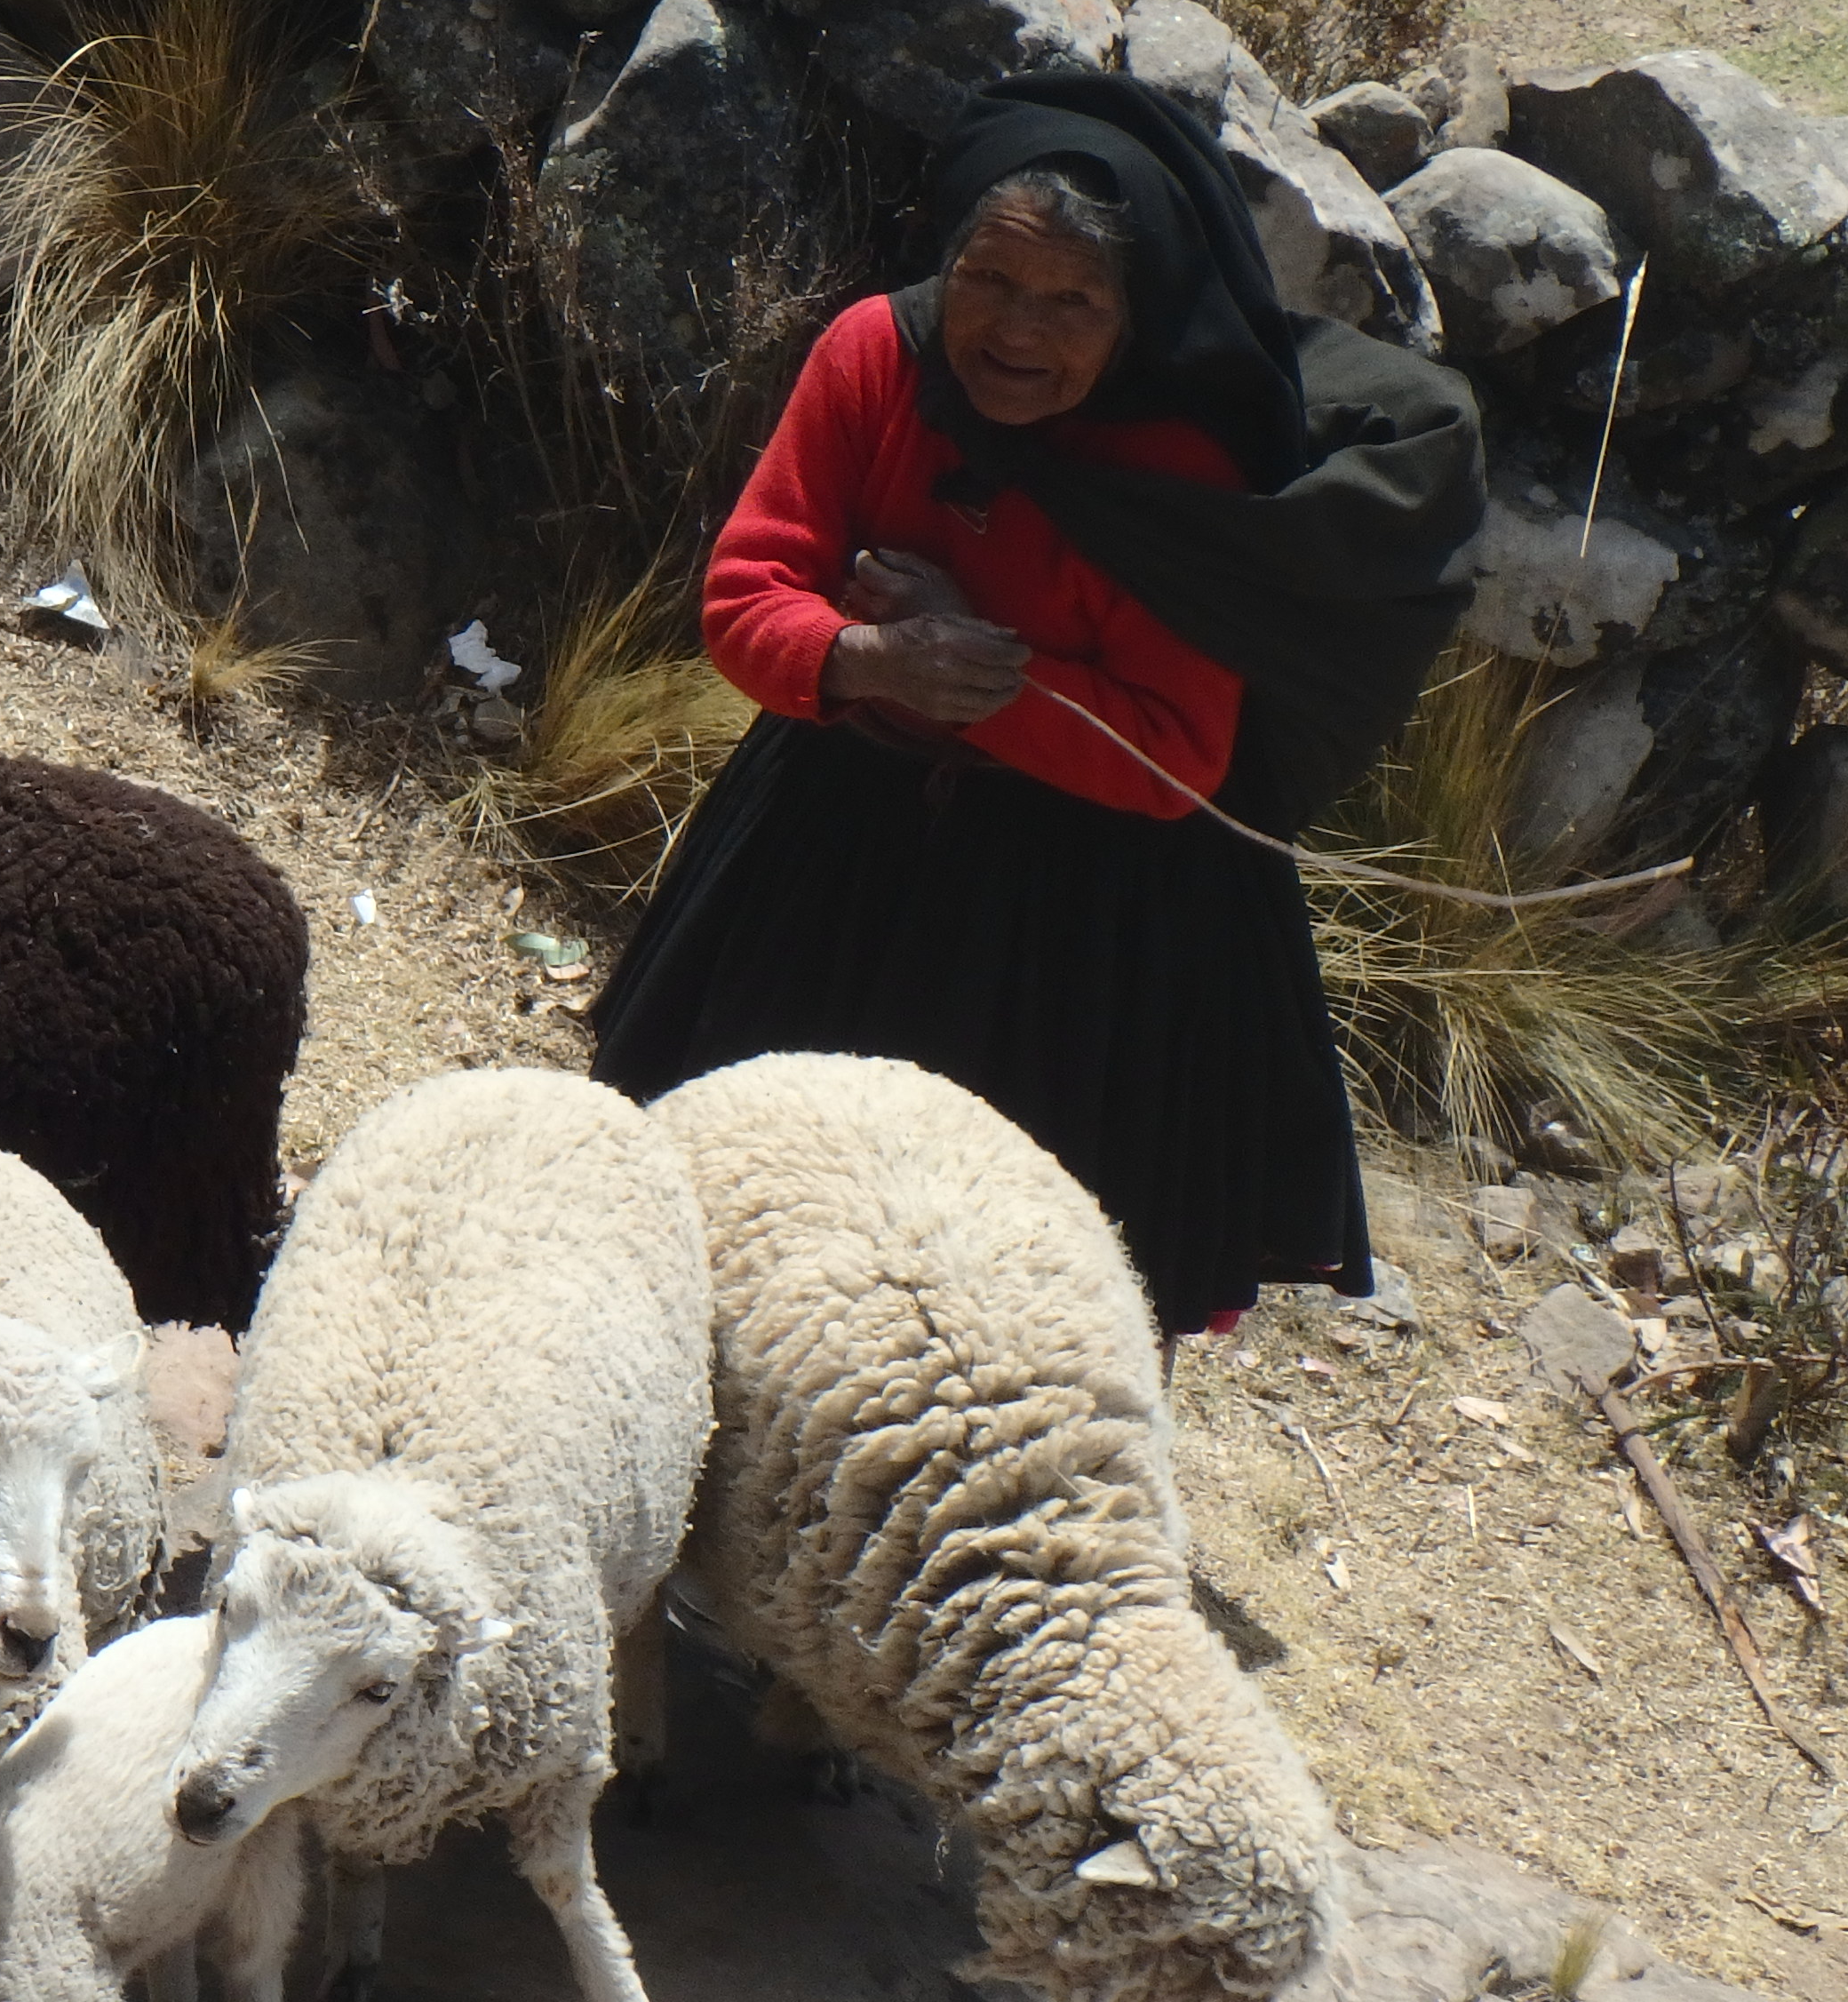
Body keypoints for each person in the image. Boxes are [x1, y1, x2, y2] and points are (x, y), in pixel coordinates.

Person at [589, 71, 1487, 1339]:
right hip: (836, 838)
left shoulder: (1185, 470)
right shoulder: (874, 361)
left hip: (1094, 917)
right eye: (993, 282)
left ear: (1135, 317)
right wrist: (863, 660)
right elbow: (748, 595)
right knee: (730, 1208)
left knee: (1028, 1294)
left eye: (1074, 300)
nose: (1021, 331)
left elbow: (1174, 751)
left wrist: (964, 667)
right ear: (945, 261)